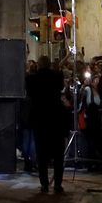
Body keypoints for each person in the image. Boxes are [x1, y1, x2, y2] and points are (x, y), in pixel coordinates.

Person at [27, 56, 70, 193]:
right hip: (55, 117)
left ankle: (44, 184)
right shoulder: (57, 75)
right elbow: (61, 87)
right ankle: (58, 184)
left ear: (38, 65)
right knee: (58, 154)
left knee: (41, 154)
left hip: (40, 118)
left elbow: (29, 92)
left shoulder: (33, 78)